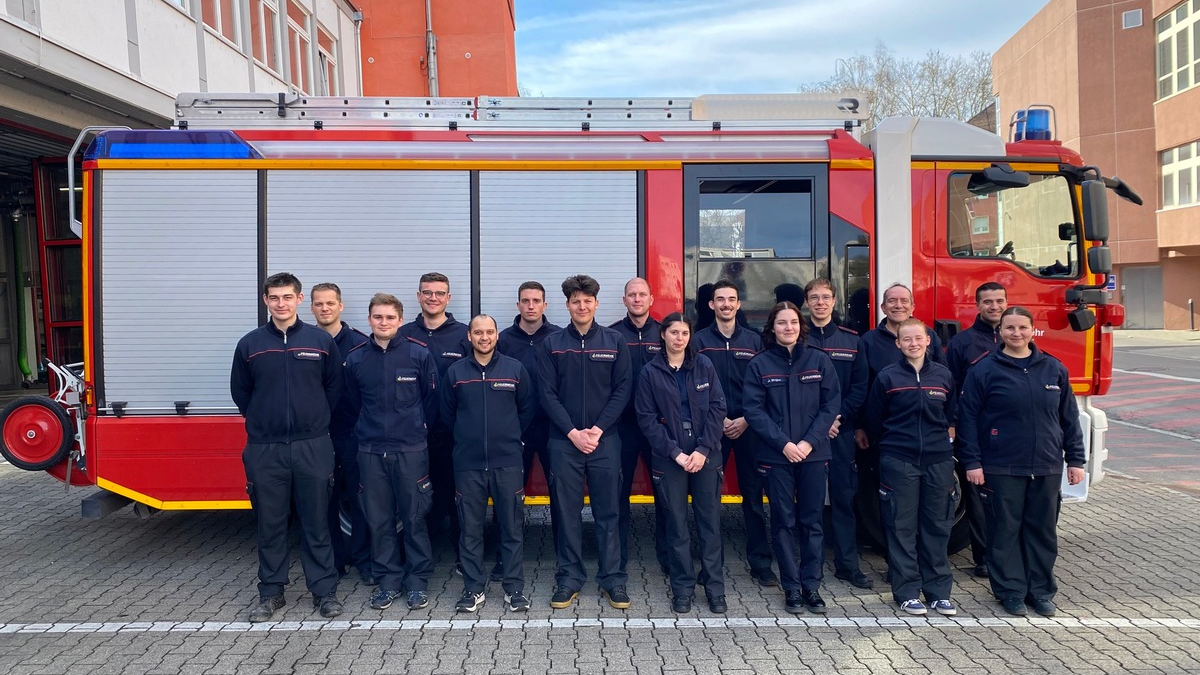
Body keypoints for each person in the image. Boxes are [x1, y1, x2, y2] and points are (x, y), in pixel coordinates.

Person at [958, 306, 1086, 618]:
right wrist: (972, 462)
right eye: (1010, 328)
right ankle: (1011, 592)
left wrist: (1076, 460)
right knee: (1004, 532)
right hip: (1002, 466)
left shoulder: (1053, 369)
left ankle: (1040, 592)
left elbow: (1069, 418)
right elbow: (968, 420)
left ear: (1033, 330)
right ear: (999, 332)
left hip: (1046, 465)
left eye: (1022, 328)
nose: (1016, 334)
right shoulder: (984, 370)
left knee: (1043, 532)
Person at [230, 272, 344, 622]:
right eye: (274, 298)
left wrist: (312, 420)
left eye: (287, 297)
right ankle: (271, 593)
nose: (281, 303)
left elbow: (334, 389)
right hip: (266, 448)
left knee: (317, 522)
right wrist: (267, 421)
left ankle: (324, 592)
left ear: (299, 300)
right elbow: (242, 394)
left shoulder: (320, 342)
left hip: (313, 446)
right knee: (271, 523)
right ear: (266, 301)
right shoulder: (250, 345)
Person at [539, 274, 633, 610]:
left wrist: (596, 429)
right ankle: (569, 578)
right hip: (564, 443)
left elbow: (623, 389)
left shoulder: (614, 341)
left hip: (605, 441)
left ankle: (613, 580)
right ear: (567, 305)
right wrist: (573, 432)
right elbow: (546, 394)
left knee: (608, 512)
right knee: (567, 513)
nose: (582, 305)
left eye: (587, 300)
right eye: (575, 301)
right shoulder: (552, 343)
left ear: (596, 303)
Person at [743, 301, 840, 614]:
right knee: (783, 521)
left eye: (794, 323)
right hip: (776, 455)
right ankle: (792, 588)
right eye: (782, 323)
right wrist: (784, 444)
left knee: (811, 522)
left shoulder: (819, 360)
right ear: (772, 328)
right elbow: (754, 411)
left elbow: (830, 405)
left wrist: (810, 442)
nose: (788, 328)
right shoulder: (759, 364)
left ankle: (812, 586)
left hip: (813, 454)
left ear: (802, 327)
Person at [344, 293, 439, 612]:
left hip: (410, 451)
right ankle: (387, 581)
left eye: (389, 317)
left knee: (414, 518)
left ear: (400, 320)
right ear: (369, 320)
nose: (383, 322)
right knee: (380, 520)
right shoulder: (356, 358)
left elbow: (431, 402)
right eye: (377, 317)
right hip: (371, 451)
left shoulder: (418, 354)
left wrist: (415, 430)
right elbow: (353, 403)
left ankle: (417, 582)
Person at [863, 318, 959, 617]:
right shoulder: (887, 377)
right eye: (907, 339)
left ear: (928, 340)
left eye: (918, 338)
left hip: (938, 461)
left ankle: (938, 592)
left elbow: (952, 415)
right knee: (900, 527)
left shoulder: (943, 376)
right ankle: (906, 592)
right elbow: (874, 418)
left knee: (937, 527)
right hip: (899, 461)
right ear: (898, 343)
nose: (913, 343)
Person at [441, 315, 536, 613]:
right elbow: (447, 415)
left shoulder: (515, 369)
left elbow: (527, 410)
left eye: (490, 332)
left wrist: (509, 440)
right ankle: (473, 590)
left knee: (511, 528)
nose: (484, 337)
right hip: (467, 464)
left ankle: (514, 589)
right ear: (469, 336)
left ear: (497, 336)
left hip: (507, 462)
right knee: (470, 530)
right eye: (478, 332)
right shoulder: (455, 373)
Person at [635, 313, 728, 614]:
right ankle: (683, 589)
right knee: (676, 526)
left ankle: (715, 590)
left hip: (706, 454)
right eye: (674, 332)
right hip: (670, 456)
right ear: (662, 335)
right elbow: (646, 419)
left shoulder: (704, 365)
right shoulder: (650, 372)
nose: (679, 338)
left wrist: (702, 450)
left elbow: (718, 408)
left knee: (709, 524)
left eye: (685, 333)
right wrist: (675, 453)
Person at [692, 279, 777, 587]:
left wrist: (745, 419)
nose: (726, 304)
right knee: (708, 501)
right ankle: (709, 567)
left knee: (753, 497)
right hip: (712, 431)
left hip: (748, 428)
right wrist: (719, 422)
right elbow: (694, 390)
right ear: (711, 305)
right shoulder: (698, 341)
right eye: (720, 299)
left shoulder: (754, 342)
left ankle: (760, 563)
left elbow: (763, 387)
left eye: (731, 299)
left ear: (738, 304)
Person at [397, 272, 471, 571]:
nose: (433, 298)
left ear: (448, 298)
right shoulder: (403, 334)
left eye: (439, 293)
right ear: (418, 296)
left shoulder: (464, 334)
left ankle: (462, 557)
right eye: (427, 293)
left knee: (458, 496)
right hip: (414, 433)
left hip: (455, 432)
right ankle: (418, 561)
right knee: (416, 497)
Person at [803, 278, 872, 589]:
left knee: (844, 499)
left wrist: (836, 418)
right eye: (814, 297)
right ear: (807, 302)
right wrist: (819, 422)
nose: (820, 302)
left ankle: (847, 565)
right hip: (805, 434)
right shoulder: (796, 338)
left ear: (834, 301)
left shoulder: (852, 341)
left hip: (840, 432)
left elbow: (860, 387)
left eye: (826, 297)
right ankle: (809, 566)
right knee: (808, 503)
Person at [309, 282, 373, 586]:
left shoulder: (361, 344)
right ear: (311, 308)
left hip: (353, 435)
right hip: (317, 437)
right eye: (319, 304)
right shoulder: (304, 342)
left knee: (359, 499)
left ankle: (362, 559)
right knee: (324, 502)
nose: (325, 309)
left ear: (341, 306)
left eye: (330, 303)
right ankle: (333, 563)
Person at [945, 281, 1008, 579]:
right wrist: (954, 423)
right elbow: (951, 387)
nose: (994, 306)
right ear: (978, 305)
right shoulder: (962, 343)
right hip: (974, 430)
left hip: (1010, 432)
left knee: (1008, 495)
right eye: (988, 302)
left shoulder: (1018, 339)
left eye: (999, 301)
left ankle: (1009, 555)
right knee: (978, 497)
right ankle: (983, 559)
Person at [608, 277, 669, 576]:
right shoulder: (611, 335)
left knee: (666, 497)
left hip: (659, 430)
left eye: (642, 294)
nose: (636, 299)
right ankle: (617, 561)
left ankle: (669, 558)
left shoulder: (665, 333)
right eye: (631, 295)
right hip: (623, 429)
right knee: (618, 497)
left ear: (651, 299)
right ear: (624, 300)